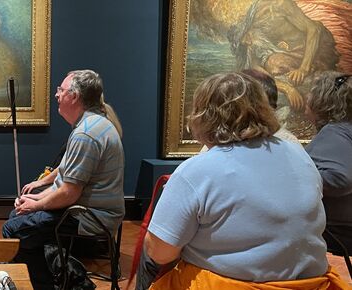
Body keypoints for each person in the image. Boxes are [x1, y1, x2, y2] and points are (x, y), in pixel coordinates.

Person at [141, 72, 345, 289]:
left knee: (150, 255)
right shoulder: (299, 154)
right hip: (309, 285)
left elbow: (160, 253)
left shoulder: (198, 170)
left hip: (232, 285)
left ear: (202, 116)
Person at [2, 70, 125, 289]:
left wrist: (36, 205)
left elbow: (69, 193)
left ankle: (50, 285)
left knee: (14, 230)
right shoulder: (94, 124)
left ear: (74, 96)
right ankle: (61, 278)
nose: (57, 95)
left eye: (61, 90)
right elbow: (66, 177)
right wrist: (35, 198)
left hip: (89, 216)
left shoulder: (85, 134)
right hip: (86, 209)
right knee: (18, 217)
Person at [305, 71, 352, 257]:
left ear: (322, 101)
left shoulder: (334, 132)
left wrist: (295, 178)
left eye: (311, 92)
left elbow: (340, 178)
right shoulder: (345, 130)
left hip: (338, 238)